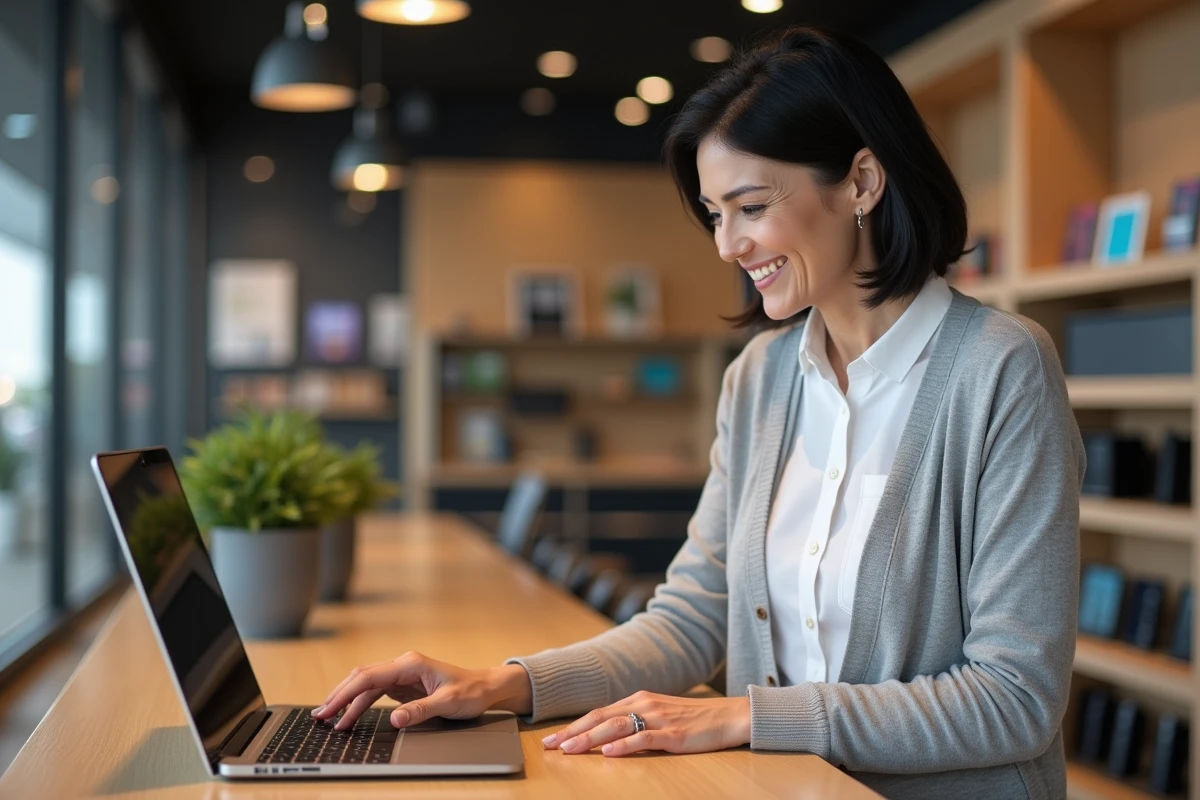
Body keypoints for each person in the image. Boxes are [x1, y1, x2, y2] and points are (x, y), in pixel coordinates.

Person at [312, 26, 1084, 799]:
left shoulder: (1002, 369)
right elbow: (694, 618)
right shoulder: (759, 377)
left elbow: (1015, 700)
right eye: (715, 214)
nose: (727, 246)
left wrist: (752, 717)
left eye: (749, 207)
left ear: (861, 182)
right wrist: (501, 685)